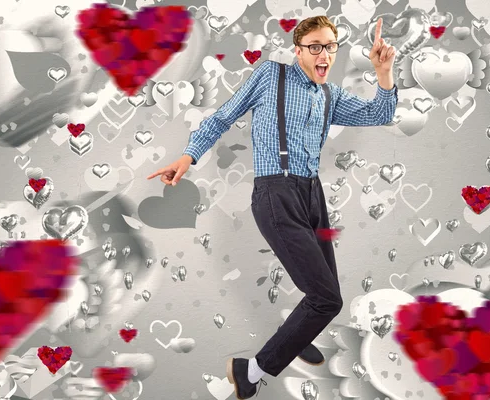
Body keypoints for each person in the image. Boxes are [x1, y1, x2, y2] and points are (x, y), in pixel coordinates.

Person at [147, 15, 397, 399]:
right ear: (298, 50)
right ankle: (253, 369)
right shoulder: (271, 77)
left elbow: (380, 114)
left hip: (312, 195)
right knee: (326, 298)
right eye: (315, 46)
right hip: (275, 193)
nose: (324, 54)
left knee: (322, 293)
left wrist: (384, 72)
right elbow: (224, 115)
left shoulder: (330, 94)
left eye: (330, 46)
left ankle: (296, 338)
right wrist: (188, 156)